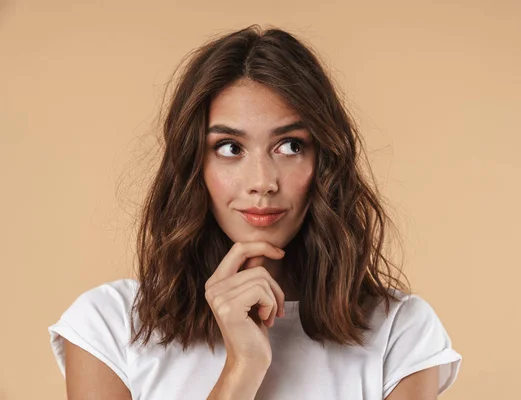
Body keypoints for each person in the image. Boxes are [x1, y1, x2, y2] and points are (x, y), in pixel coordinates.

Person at [48, 25, 462, 400]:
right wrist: (241, 370)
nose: (262, 181)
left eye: (290, 146)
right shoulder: (109, 326)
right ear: (194, 164)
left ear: (325, 161)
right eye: (230, 148)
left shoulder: (399, 333)